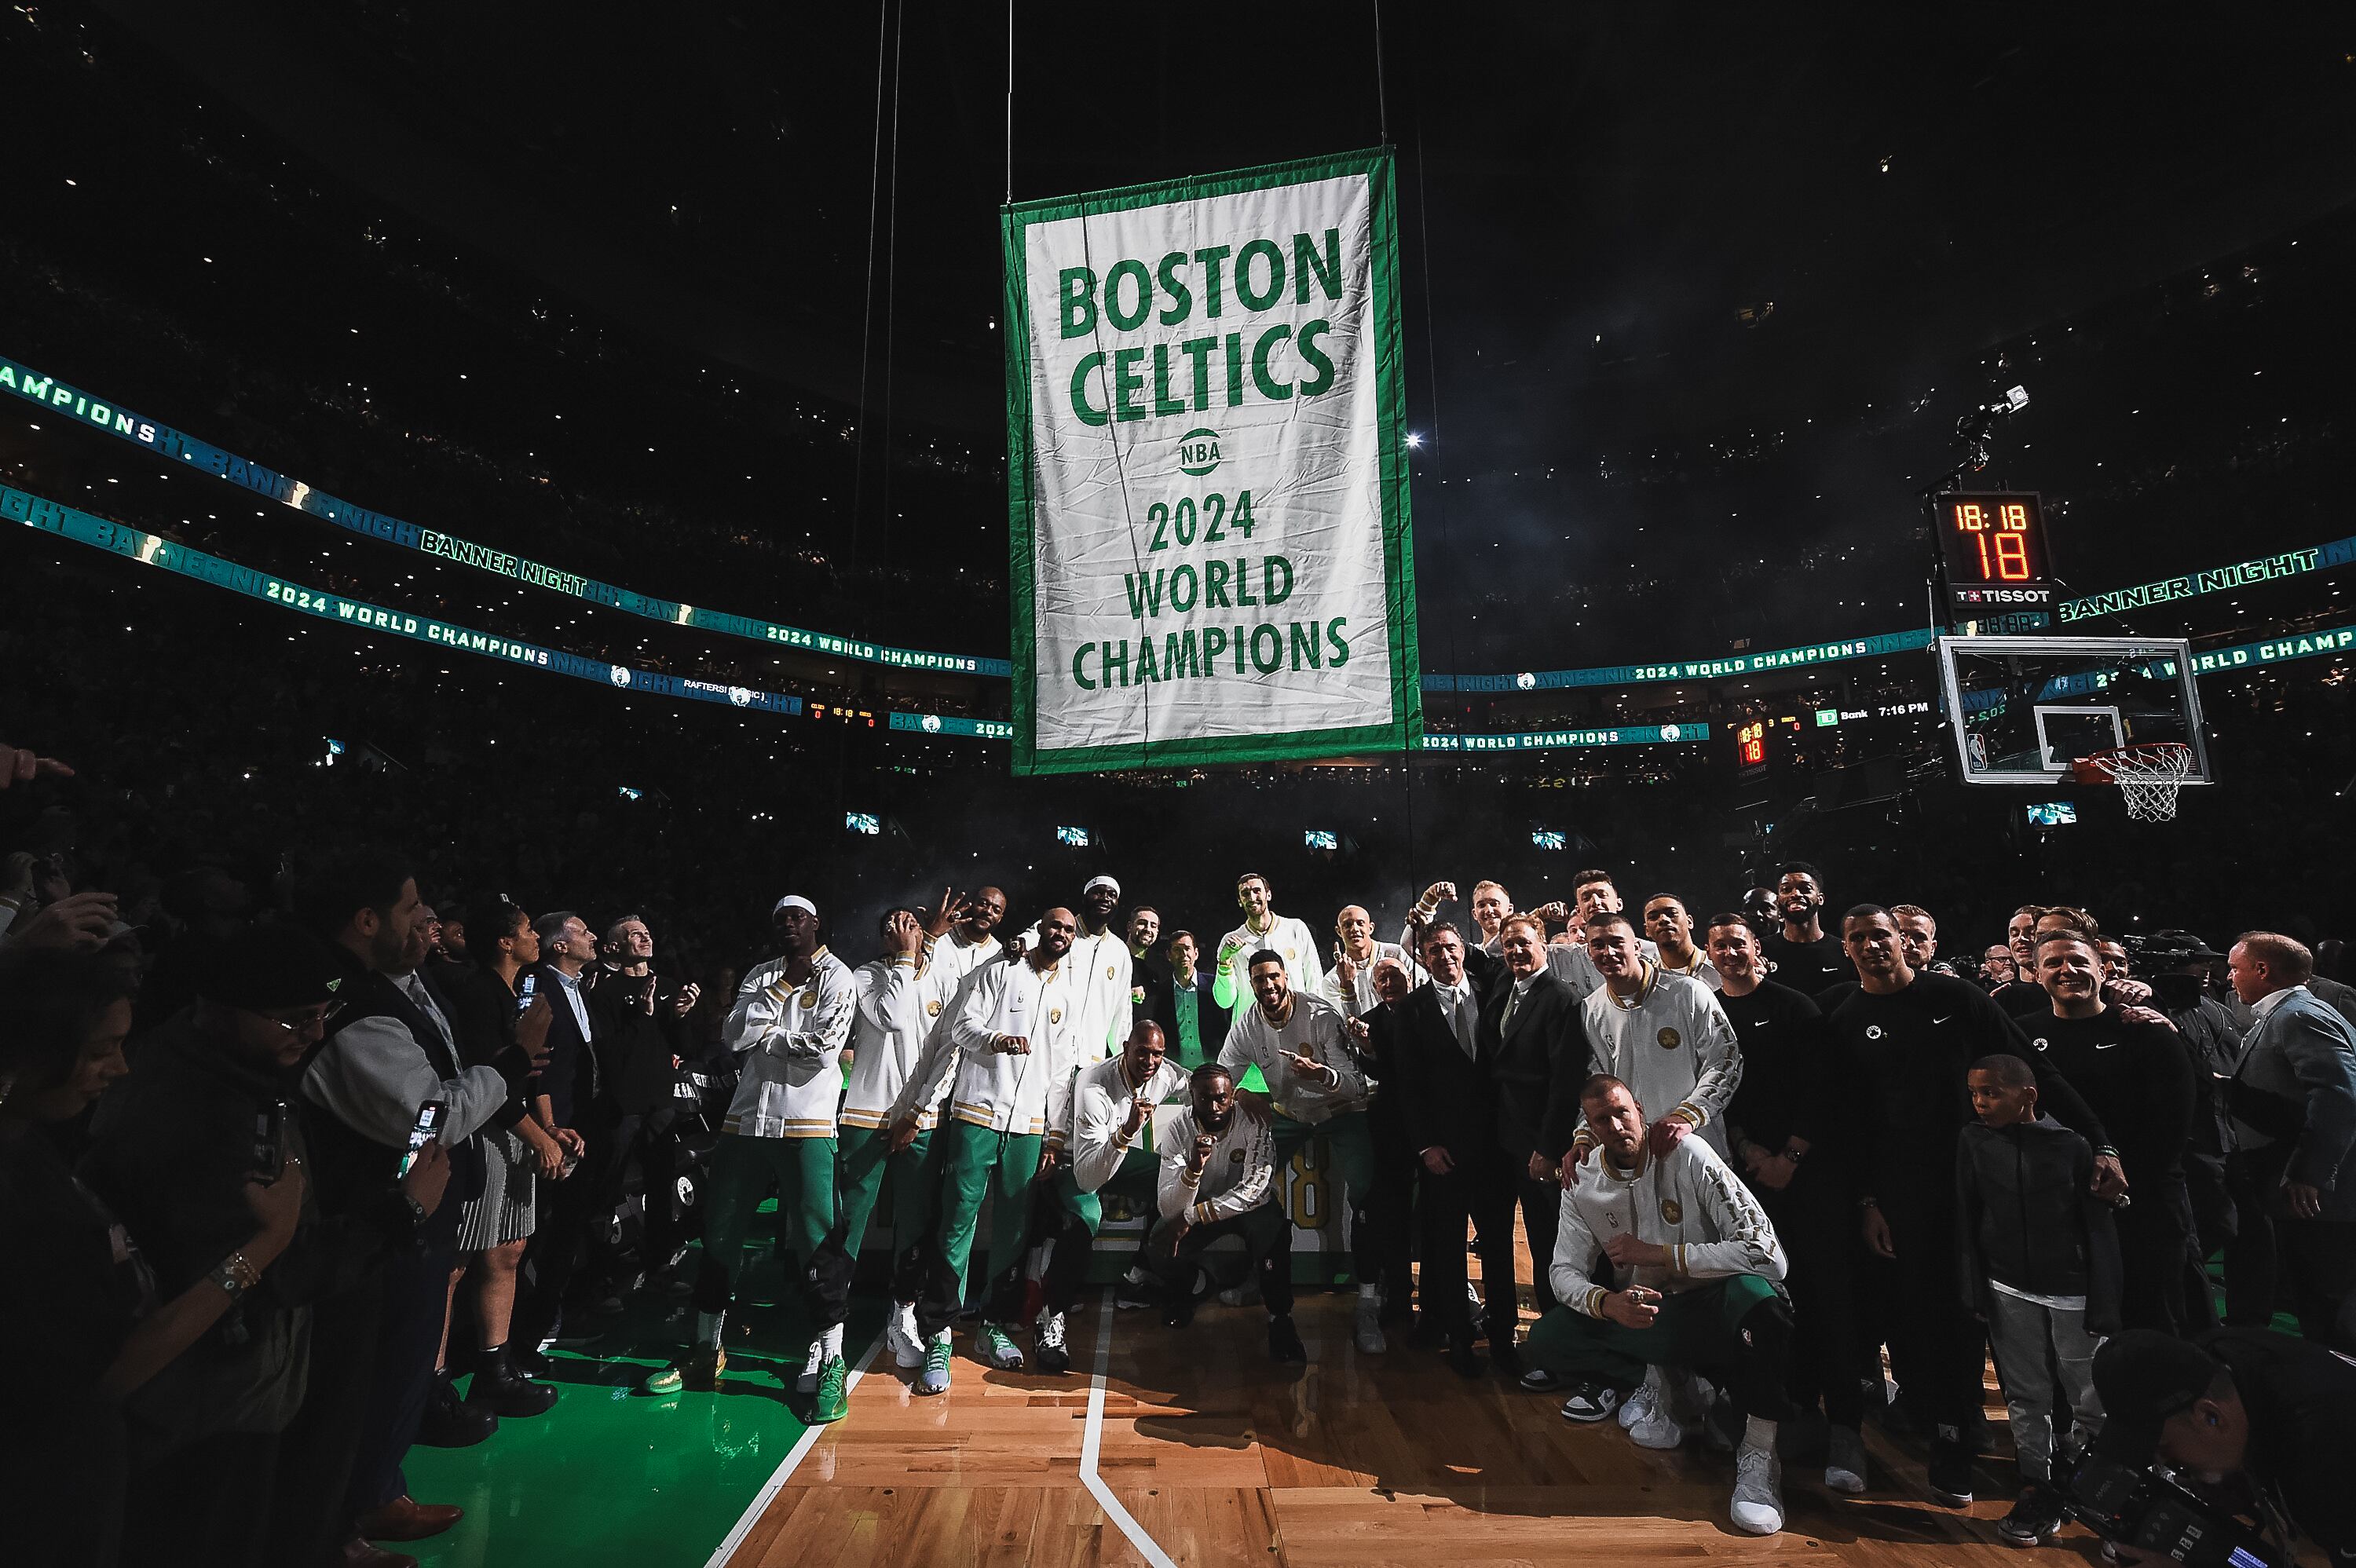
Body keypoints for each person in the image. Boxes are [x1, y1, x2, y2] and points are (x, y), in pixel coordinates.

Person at [1827, 904, 2120, 1508]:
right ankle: (1953, 1441)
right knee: (1934, 1319)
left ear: (1904, 941)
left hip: (1991, 1185)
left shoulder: (1957, 997)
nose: (1872, 945)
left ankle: (2062, 1448)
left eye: (1881, 934)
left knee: (2018, 1318)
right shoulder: (1847, 1017)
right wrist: (1868, 1200)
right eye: (1858, 938)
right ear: (1847, 949)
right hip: (1905, 1192)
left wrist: (2101, 1140)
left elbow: (2034, 1068)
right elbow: (1850, 1125)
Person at [297, 851, 543, 1558]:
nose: (428, 926)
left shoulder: (397, 981)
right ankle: (344, 1521)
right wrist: (514, 1061)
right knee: (365, 1372)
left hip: (416, 1206)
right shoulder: (351, 1005)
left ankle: (377, 1493)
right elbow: (428, 1113)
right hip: (380, 1212)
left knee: (401, 1358)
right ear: (366, 919)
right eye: (412, 912)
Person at [1523, 1076, 1791, 1537]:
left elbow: (1770, 1255)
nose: (1614, 1125)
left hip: (1714, 1300)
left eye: (1621, 1112)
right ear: (1586, 1130)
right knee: (1547, 1339)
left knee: (1764, 1304)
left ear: (1640, 1110)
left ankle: (1760, 1456)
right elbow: (1562, 1272)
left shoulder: (1690, 1155)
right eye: (1599, 1120)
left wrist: (1661, 1255)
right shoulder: (1581, 1179)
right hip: (1650, 1312)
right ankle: (1670, 1384)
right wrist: (1607, 1303)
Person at [646, 895, 854, 1412]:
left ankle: (831, 1359)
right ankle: (704, 1349)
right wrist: (782, 992)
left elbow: (824, 1048)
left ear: (815, 923)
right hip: (744, 1123)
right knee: (719, 1234)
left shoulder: (839, 976)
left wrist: (772, 1037)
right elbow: (734, 1035)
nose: (788, 923)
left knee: (816, 1239)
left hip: (806, 1124)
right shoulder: (762, 974)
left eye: (797, 917)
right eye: (780, 917)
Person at [887, 907, 1080, 1394]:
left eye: (1068, 930)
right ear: (1041, 929)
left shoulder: (1065, 994)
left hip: (1029, 1127)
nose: (1060, 934)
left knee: (1015, 1229)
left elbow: (1060, 1075)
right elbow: (962, 1029)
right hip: (976, 1113)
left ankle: (993, 1325)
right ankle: (937, 1335)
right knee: (957, 1224)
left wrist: (1055, 1135)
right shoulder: (998, 969)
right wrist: (997, 1040)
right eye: (1054, 925)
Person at [1707, 912, 1864, 1495]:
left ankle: (1847, 1425)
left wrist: (1790, 1157)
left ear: (1758, 948)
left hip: (1809, 1174)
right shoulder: (1712, 1012)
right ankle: (1780, 1411)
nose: (1729, 952)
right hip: (1751, 1174)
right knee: (1768, 1297)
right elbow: (1721, 1087)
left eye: (1738, 943)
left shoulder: (1798, 1007)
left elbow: (1821, 1090)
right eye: (1719, 945)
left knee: (1828, 1297)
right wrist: (1749, 1148)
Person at [1955, 1054, 2122, 1549]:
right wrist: (1973, 1284)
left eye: (1991, 1093)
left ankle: (2101, 1495)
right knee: (2026, 1396)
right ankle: (2037, 1486)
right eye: (1975, 1093)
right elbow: (1966, 1211)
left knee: (2088, 1397)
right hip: (2007, 1288)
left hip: (2074, 1292)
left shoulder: (2073, 1147)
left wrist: (2102, 1299)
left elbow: (2098, 1229)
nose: (1981, 1103)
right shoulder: (1973, 1140)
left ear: (2028, 1096)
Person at [2024, 929, 2204, 1334]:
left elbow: (2172, 1129)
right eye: (2053, 963)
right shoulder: (2021, 1036)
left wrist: (2120, 1180)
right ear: (2036, 975)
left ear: (2103, 971)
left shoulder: (2147, 1032)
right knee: (2076, 1326)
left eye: (2079, 961)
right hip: (2060, 1203)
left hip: (2143, 1201)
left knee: (2153, 1315)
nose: (2068, 970)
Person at [1219, 948, 1384, 1351]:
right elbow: (1221, 1075)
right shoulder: (1247, 1026)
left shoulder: (1320, 1014)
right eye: (1259, 980)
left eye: (1273, 977)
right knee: (1250, 1187)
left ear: (1286, 976)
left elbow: (1356, 1083)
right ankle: (1262, 1276)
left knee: (1367, 1192)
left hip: (1341, 1111)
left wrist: (1320, 1075)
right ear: (1251, 984)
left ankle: (1367, 1301)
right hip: (1290, 1114)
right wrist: (1242, 1091)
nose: (1268, 986)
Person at [2091, 1328, 2356, 1566]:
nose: (2165, 1463)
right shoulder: (2220, 1355)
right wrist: (2244, 1486)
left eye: (2167, 1449)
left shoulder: (2327, 1458)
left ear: (2210, 1417)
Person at [1388, 920, 1516, 1375]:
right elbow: (1410, 1086)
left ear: (1463, 948)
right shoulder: (1411, 1009)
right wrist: (1426, 1146)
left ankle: (1504, 1342)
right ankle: (1459, 1340)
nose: (1444, 956)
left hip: (1496, 1148)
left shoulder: (1494, 992)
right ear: (1422, 958)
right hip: (1443, 1152)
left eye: (1449, 946)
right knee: (1445, 1249)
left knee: (1499, 1249)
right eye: (1433, 950)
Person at [819, 908, 944, 1373]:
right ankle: (831, 1330)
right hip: (865, 1116)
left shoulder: (935, 978)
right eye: (896, 923)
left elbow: (942, 1047)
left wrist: (920, 1110)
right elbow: (891, 1017)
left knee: (914, 1226)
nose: (905, 929)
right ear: (883, 935)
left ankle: (902, 1319)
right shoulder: (864, 976)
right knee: (849, 1223)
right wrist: (905, 959)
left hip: (920, 1118)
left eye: (912, 922)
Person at [2224, 930, 2356, 1348]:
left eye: (2235, 968)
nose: (2229, 978)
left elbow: (2339, 1096)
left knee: (2326, 1304)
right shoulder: (2286, 1014)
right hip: (2303, 1192)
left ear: (2262, 970)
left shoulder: (2298, 1015)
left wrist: (2309, 1173)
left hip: (2317, 1197)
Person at [1035, 1018, 1188, 1370]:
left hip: (1113, 1154)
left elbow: (1194, 1082)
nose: (1150, 1062)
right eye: (1142, 1053)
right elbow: (1089, 1177)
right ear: (1125, 1049)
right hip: (1076, 1161)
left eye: (1158, 1055)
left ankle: (1143, 1273)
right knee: (1086, 1216)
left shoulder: (1162, 1073)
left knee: (1176, 1184)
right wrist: (1128, 1131)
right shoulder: (1094, 1086)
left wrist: (1239, 1096)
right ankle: (1051, 1320)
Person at [1479, 914, 1587, 1351]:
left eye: (1524, 943)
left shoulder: (1562, 999)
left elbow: (1565, 1083)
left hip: (1538, 1142)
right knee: (1495, 1242)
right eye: (1509, 946)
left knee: (1546, 1245)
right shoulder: (1504, 986)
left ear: (1544, 944)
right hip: (1498, 1139)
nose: (1517, 952)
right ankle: (1502, 1329)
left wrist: (1548, 1147)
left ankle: (1555, 1339)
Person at [1147, 1062, 1304, 1363]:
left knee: (1273, 1232)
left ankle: (1280, 1319)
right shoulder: (1179, 1128)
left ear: (1233, 1096)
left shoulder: (1253, 1121)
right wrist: (1193, 1168)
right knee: (1160, 1243)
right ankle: (1191, 1288)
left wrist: (1193, 1216)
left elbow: (1254, 1191)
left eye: (1221, 1098)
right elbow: (1169, 1207)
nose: (1214, 1106)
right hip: (1202, 1202)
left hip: (1247, 1207)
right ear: (1191, 1096)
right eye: (1205, 1098)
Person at [1562, 912, 1743, 1170]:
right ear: (1588, 952)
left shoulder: (1689, 992)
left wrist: (1688, 1116)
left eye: (1616, 942)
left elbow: (1726, 1061)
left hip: (1698, 1145)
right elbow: (1598, 1082)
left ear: (1636, 946)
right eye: (1598, 945)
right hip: (1636, 1156)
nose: (1608, 952)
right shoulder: (1591, 1009)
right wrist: (1586, 1136)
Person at [2143, 930, 2245, 1262]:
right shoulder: (2147, 1010)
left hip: (2230, 1135)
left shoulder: (2220, 1008)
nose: (2206, 970)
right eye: (2195, 963)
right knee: (2213, 1224)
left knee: (2241, 1226)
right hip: (2190, 1138)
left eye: (2207, 963)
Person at [1210, 872, 1318, 1029]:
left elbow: (1314, 979)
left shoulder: (1296, 928)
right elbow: (1224, 1001)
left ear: (1269, 895)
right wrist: (1224, 961)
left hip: (1297, 1025)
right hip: (1254, 1032)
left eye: (1256, 891)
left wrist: (1316, 1021)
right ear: (1240, 901)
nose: (1252, 897)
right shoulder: (1230, 941)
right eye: (1246, 894)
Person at [1542, 869, 1658, 998]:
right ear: (1578, 910)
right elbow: (1519, 947)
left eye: (1602, 895)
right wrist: (1539, 915)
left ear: (1619, 904)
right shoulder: (1565, 958)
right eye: (1586, 898)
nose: (1595, 902)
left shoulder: (1653, 952)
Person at [1320, 902, 1424, 1015]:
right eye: (1347, 925)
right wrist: (1346, 986)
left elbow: (1422, 990)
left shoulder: (1397, 954)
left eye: (1360, 923)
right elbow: (1346, 1021)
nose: (1354, 929)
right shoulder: (1332, 979)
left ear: (1370, 928)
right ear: (1339, 931)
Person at [1761, 863, 1847, 997]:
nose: (1795, 894)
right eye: (1786, 890)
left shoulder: (1843, 950)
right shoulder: (1761, 951)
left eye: (1805, 889)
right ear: (1778, 901)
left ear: (1820, 899)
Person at [1153, 930, 1228, 1069]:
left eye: (1187, 948)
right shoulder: (1160, 992)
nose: (1183, 954)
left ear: (1196, 953)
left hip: (1213, 1066)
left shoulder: (1215, 986)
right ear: (1168, 956)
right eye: (1177, 949)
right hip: (1175, 1070)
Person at [1643, 894, 1720, 990]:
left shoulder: (1719, 966)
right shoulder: (1648, 980)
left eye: (1671, 914)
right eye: (1653, 917)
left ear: (1690, 922)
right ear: (1647, 931)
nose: (1663, 919)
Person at [1127, 905, 1169, 1029]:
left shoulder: (1163, 967)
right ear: (1130, 927)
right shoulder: (1113, 957)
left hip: (1148, 1042)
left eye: (1153, 926)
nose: (1148, 929)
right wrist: (1127, 995)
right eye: (1142, 923)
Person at [1890, 904, 1940, 970]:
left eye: (1920, 937)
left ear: (1932, 948)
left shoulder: (1948, 978)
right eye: (1901, 935)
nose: (1910, 943)